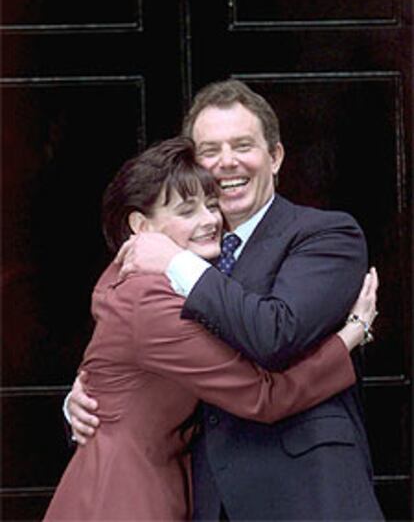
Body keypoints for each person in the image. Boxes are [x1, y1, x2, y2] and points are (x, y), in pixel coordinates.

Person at [68, 81, 384, 520]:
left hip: (308, 492)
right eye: (209, 151)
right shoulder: (178, 249)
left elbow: (276, 333)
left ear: (274, 157)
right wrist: (92, 391)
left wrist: (177, 261)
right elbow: (117, 312)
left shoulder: (326, 234)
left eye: (242, 145)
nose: (227, 162)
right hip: (207, 498)